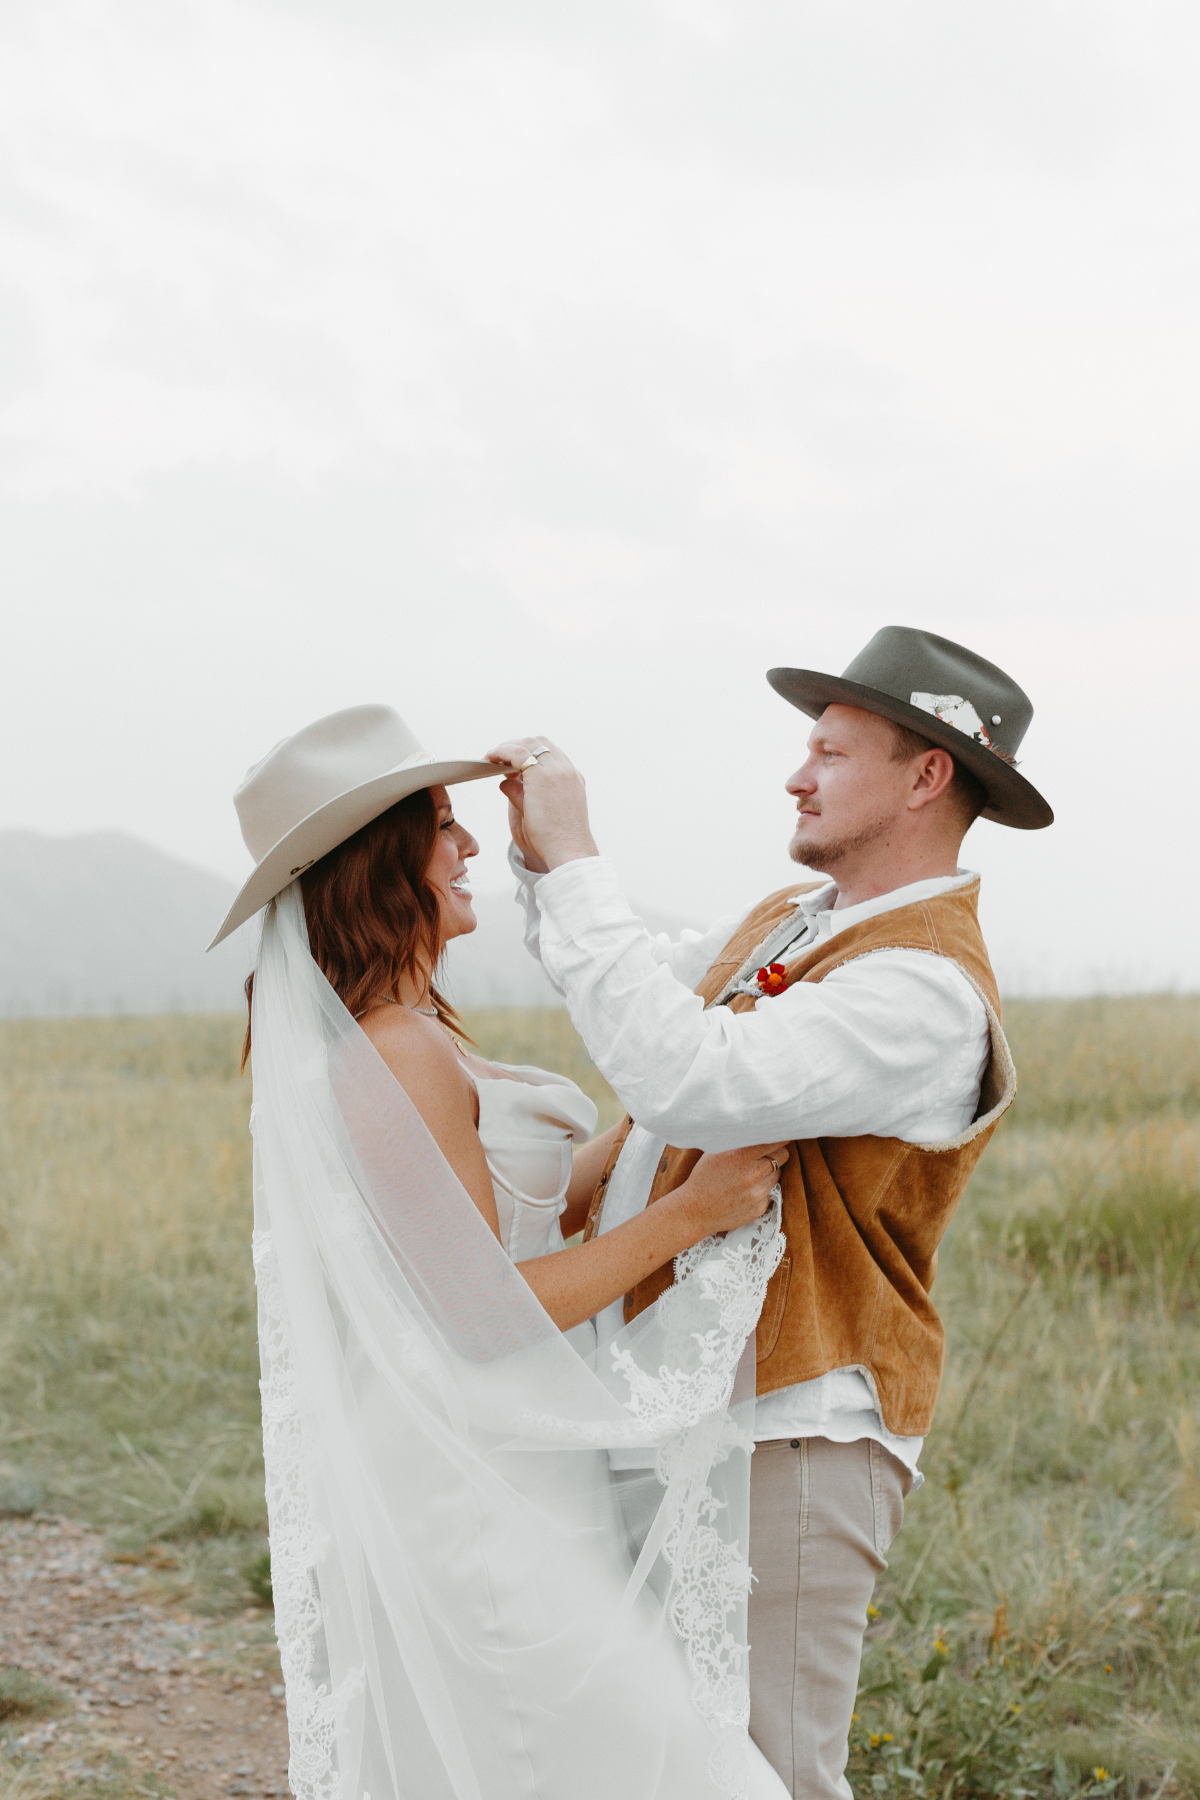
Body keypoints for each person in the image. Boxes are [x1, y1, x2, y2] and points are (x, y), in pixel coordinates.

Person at [487, 625, 1054, 1800]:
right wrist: (548, 869)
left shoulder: (926, 989)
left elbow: (688, 1076)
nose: (796, 775)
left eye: (829, 750)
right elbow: (639, 988)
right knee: (657, 1766)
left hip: (792, 1429)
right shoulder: (795, 918)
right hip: (675, 1400)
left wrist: (581, 856)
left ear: (926, 775)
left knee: (771, 1775)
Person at [209, 702, 793, 1800]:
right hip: (464, 1485)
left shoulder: (414, 1032)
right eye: (441, 824)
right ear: (381, 862)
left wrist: (691, 1089)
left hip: (518, 1458)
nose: (469, 846)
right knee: (644, 1755)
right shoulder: (387, 1054)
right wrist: (688, 1215)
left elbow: (535, 1208)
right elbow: (478, 1313)